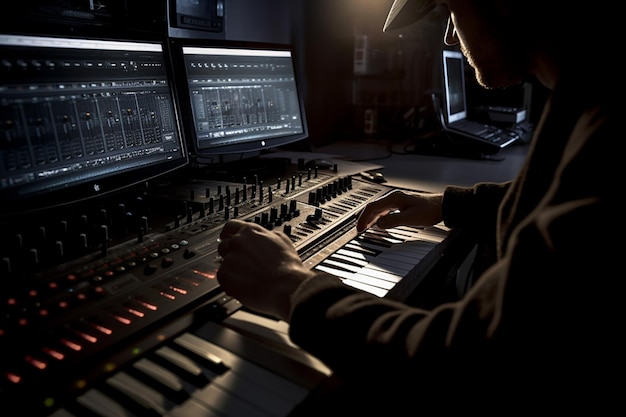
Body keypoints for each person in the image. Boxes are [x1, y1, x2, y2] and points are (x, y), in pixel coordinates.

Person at [216, 0, 621, 414]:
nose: (448, 35)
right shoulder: (588, 92)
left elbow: (462, 365)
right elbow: (555, 202)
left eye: (450, 11)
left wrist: (290, 286)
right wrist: (448, 203)